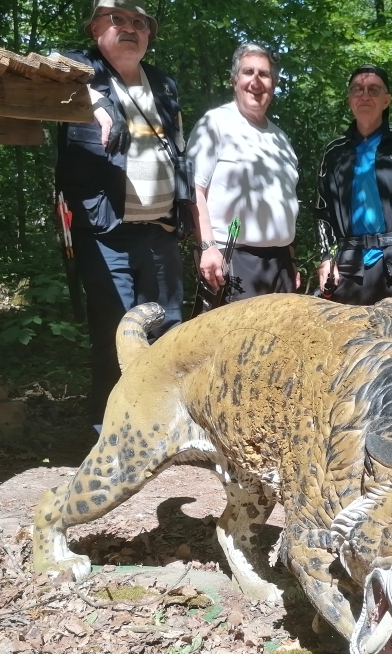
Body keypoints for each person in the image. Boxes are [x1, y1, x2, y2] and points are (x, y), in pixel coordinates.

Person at [56, 0, 192, 430]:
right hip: (106, 235)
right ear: (95, 28)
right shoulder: (78, 72)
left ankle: (165, 432)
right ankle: (111, 437)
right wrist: (98, 103)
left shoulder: (164, 85)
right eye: (118, 19)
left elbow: (180, 152)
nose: (130, 28)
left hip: (161, 234)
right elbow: (54, 66)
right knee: (113, 336)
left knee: (168, 336)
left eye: (139, 23)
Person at [186, 43, 300, 301]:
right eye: (248, 72)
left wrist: (291, 261)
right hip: (233, 259)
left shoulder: (281, 138)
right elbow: (194, 190)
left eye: (264, 74)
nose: (256, 81)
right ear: (234, 80)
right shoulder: (215, 124)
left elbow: (285, 205)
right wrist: (208, 247)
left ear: (274, 84)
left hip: (281, 264)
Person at [316, 65, 392, 304]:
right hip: (349, 267)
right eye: (357, 89)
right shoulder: (334, 152)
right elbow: (323, 211)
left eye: (373, 90)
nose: (364, 95)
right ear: (350, 99)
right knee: (347, 330)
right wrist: (327, 256)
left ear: (386, 100)